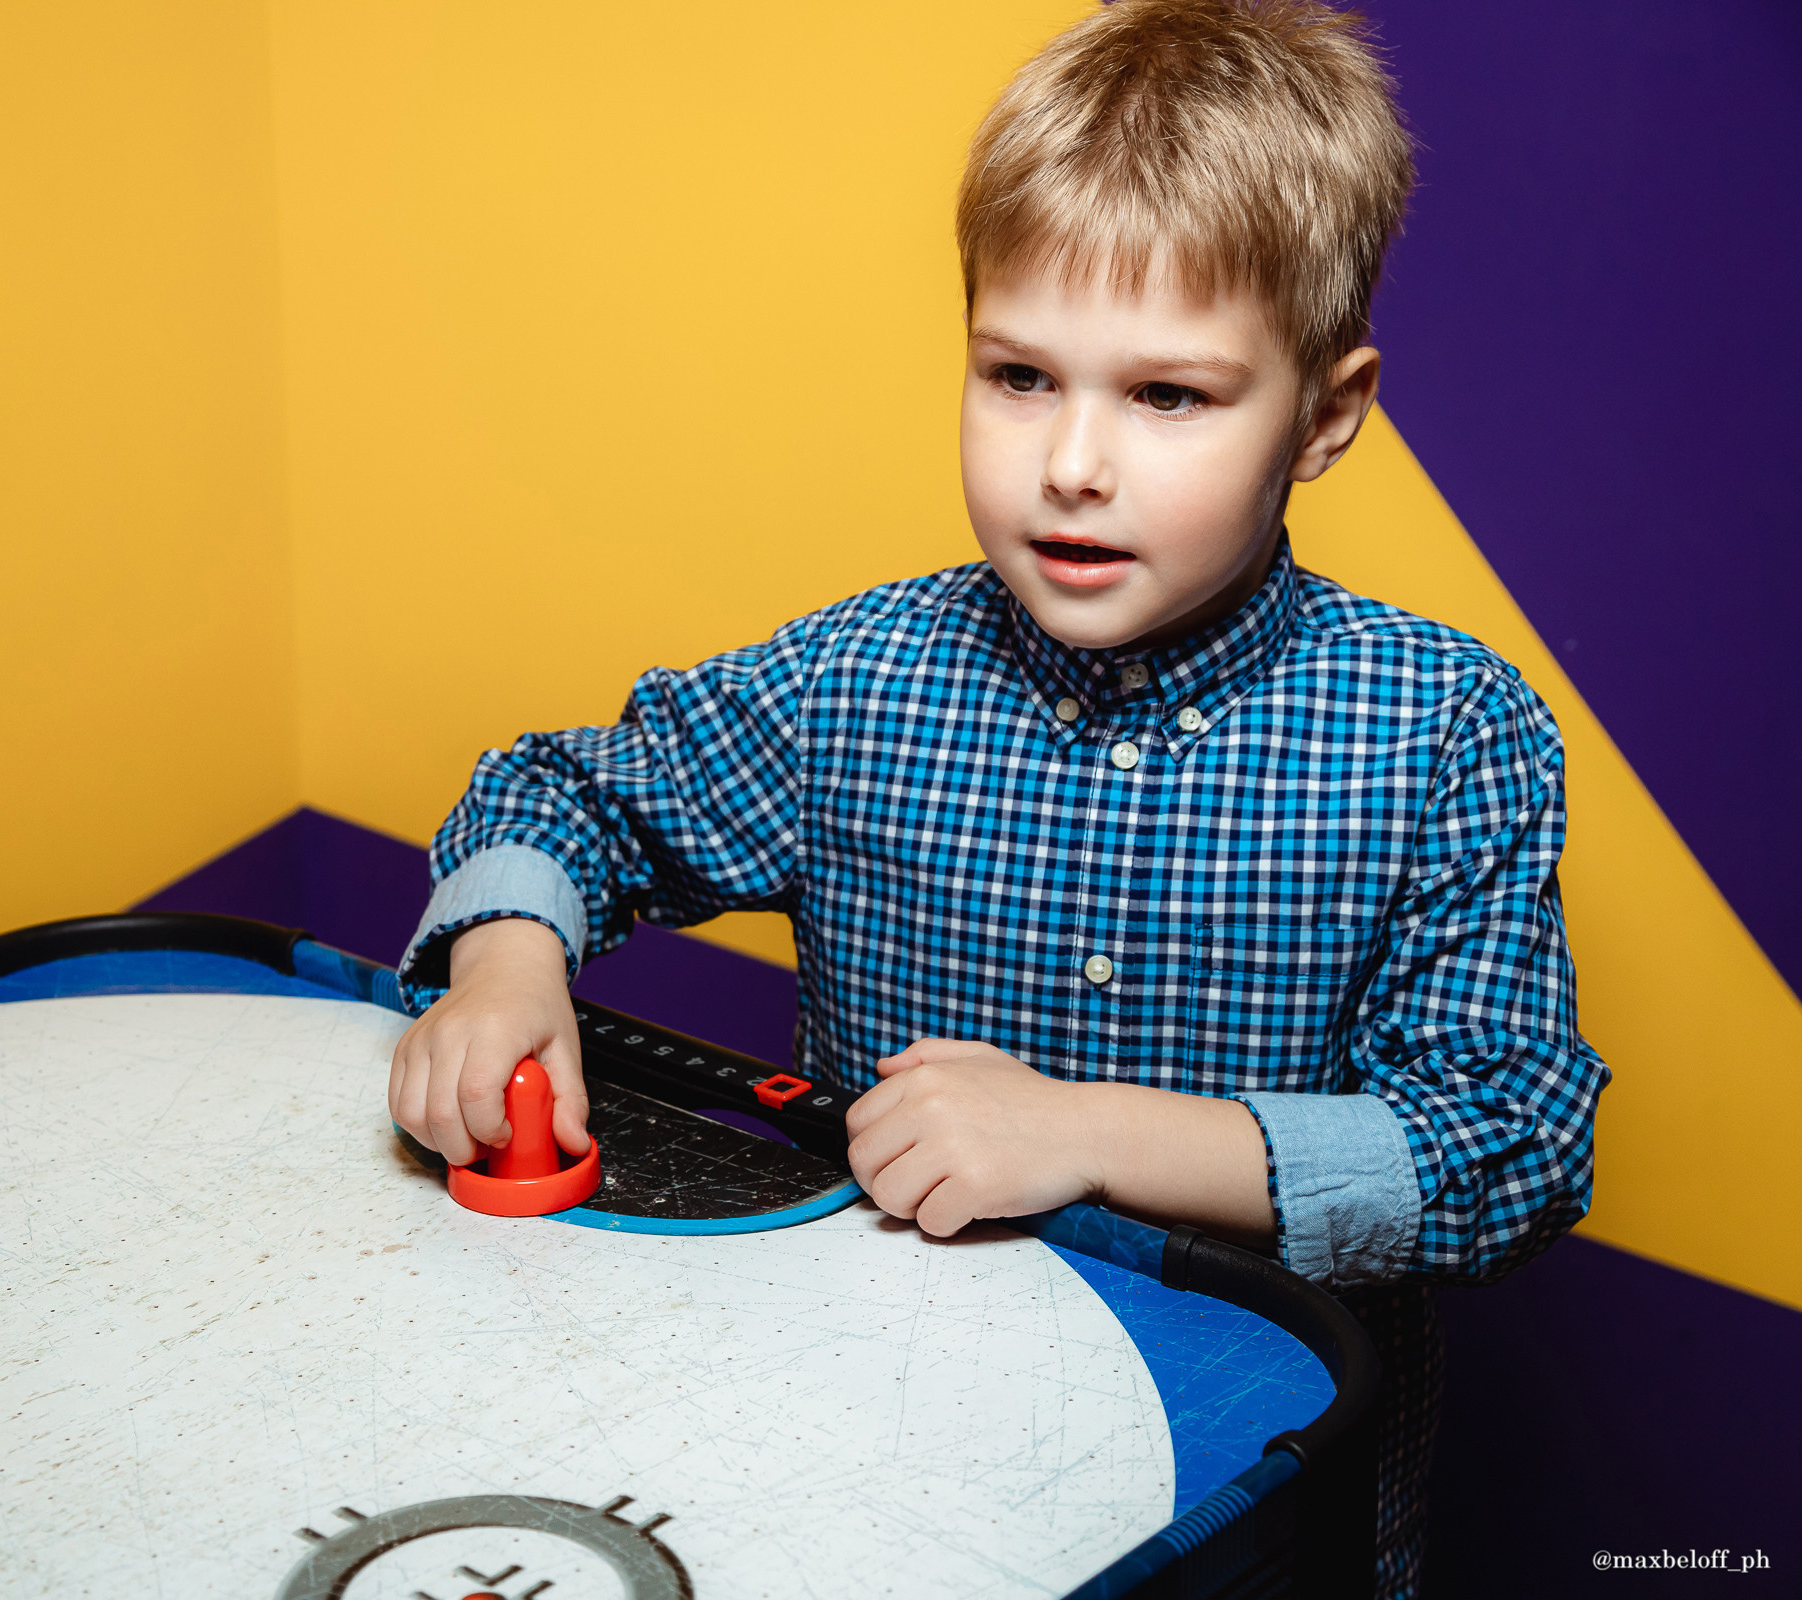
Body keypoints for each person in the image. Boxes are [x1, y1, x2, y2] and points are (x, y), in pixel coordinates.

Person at [385, 2, 1608, 1593]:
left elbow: (1506, 1145)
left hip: (1240, 1515)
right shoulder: (860, 675)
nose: (1073, 465)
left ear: (1326, 413)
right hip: (872, 1472)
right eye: (1021, 375)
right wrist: (503, 963)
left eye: (1169, 396)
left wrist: (1087, 1134)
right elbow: (562, 797)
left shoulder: (1448, 729)